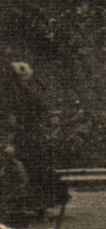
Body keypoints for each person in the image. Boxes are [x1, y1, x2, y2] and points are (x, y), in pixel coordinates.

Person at [0, 60, 69, 222]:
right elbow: (11, 117)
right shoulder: (14, 93)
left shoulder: (24, 91)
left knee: (35, 168)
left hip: (29, 134)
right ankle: (32, 207)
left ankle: (37, 207)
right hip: (25, 134)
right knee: (30, 169)